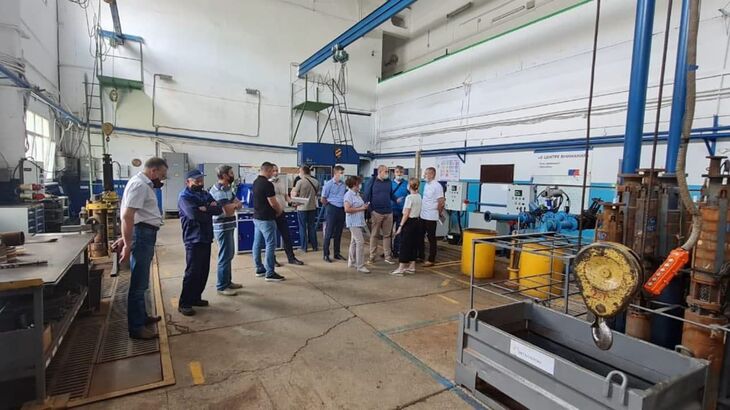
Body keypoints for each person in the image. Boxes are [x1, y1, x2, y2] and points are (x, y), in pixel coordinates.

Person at [114, 157, 168, 340]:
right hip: (142, 235)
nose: (162, 179)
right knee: (138, 284)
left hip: (144, 233)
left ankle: (142, 317)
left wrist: (125, 238)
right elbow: (127, 216)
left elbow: (134, 216)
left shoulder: (142, 184)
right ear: (153, 171)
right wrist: (127, 243)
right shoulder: (140, 185)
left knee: (142, 282)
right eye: (162, 175)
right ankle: (136, 328)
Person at [178, 169, 222, 316]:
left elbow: (219, 209)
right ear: (188, 182)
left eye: (201, 180)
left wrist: (205, 209)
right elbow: (193, 214)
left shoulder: (205, 194)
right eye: (196, 181)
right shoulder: (185, 196)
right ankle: (184, 303)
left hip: (206, 237)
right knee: (192, 271)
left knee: (203, 270)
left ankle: (196, 297)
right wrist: (208, 210)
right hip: (193, 238)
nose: (200, 183)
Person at [209, 165, 243, 296]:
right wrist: (234, 205)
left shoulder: (228, 189)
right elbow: (228, 211)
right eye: (231, 173)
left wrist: (233, 205)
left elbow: (238, 204)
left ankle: (227, 282)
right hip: (222, 227)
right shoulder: (217, 191)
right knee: (224, 256)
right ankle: (222, 286)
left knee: (229, 255)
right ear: (224, 175)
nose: (233, 175)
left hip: (229, 225)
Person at [252, 162, 286, 282]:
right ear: (267, 170)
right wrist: (279, 210)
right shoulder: (267, 184)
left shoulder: (256, 182)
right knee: (270, 244)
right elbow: (273, 202)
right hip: (266, 219)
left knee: (257, 243)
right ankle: (270, 273)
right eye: (272, 171)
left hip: (257, 218)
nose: (273, 173)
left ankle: (259, 268)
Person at [270, 164, 304, 266]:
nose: (276, 172)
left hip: (281, 212)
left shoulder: (281, 181)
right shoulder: (268, 183)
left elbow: (285, 196)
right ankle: (272, 259)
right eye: (273, 170)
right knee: (272, 238)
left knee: (287, 235)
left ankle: (291, 258)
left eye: (277, 170)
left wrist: (292, 202)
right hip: (272, 213)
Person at [365, 165, 395, 265]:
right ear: (379, 172)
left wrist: (396, 199)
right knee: (374, 235)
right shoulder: (372, 181)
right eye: (385, 171)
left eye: (387, 171)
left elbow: (391, 194)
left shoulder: (389, 182)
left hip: (388, 212)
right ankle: (372, 256)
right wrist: (371, 211)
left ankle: (388, 256)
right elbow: (366, 197)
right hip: (376, 213)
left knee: (387, 235)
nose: (387, 173)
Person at [392, 178, 422, 276]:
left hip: (409, 223)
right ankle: (412, 266)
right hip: (417, 222)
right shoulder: (419, 196)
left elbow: (406, 213)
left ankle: (401, 268)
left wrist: (400, 226)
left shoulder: (409, 197)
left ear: (409, 186)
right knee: (413, 245)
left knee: (404, 245)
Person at [419, 167, 445, 267]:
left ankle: (431, 259)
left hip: (431, 216)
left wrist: (438, 213)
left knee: (431, 238)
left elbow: (441, 202)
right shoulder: (426, 184)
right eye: (424, 173)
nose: (424, 175)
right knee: (420, 235)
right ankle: (421, 256)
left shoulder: (437, 186)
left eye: (426, 174)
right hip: (423, 214)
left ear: (432, 174)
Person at [344, 176, 370, 273]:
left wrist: (364, 206)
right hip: (353, 222)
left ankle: (352, 261)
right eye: (359, 184)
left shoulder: (357, 194)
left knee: (354, 242)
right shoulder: (348, 195)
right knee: (360, 242)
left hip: (359, 221)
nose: (360, 185)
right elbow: (347, 209)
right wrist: (361, 208)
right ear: (354, 185)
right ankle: (360, 265)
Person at [291, 165, 319, 252]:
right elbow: (316, 193)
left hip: (302, 207)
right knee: (312, 227)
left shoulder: (300, 182)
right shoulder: (316, 181)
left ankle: (304, 247)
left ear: (302, 172)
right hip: (312, 207)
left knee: (302, 227)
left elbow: (294, 195)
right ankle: (315, 246)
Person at [321, 165, 346, 263]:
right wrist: (329, 207)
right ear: (335, 174)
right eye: (341, 173)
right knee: (329, 232)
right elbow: (323, 199)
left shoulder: (343, 184)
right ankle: (326, 254)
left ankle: (337, 253)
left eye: (343, 173)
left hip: (341, 209)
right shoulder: (328, 184)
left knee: (338, 233)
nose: (343, 175)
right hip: (331, 208)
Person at [391, 166, 409, 259]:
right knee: (388, 232)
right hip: (390, 210)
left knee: (399, 231)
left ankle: (396, 250)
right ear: (394, 173)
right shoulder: (389, 184)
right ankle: (387, 250)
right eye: (397, 172)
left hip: (402, 211)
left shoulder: (407, 184)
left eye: (401, 172)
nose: (399, 174)